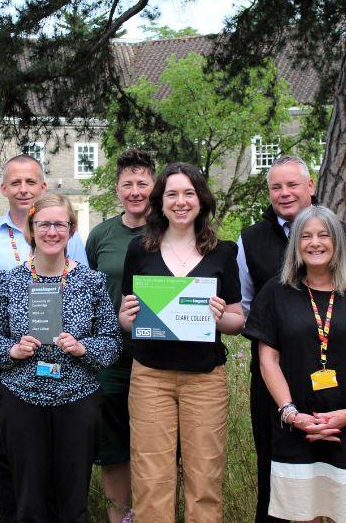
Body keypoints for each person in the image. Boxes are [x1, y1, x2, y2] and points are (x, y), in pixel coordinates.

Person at [244, 205, 346, 522]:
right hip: (295, 426)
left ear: (338, 242)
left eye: (323, 235)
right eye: (306, 236)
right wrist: (292, 414)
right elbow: (268, 359)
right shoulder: (276, 291)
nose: (314, 243)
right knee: (302, 515)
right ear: (296, 245)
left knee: (345, 513)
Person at [237, 156, 346, 522]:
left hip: (343, 386)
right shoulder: (250, 240)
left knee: (340, 487)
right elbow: (247, 310)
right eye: (276, 187)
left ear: (310, 186)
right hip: (277, 383)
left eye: (292, 185)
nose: (284, 193)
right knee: (279, 482)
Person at [0, 154, 88, 523]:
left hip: (61, 364)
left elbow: (85, 296)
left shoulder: (65, 232)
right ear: (3, 189)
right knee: (8, 458)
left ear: (43, 187)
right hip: (5, 362)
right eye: (16, 182)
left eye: (31, 182)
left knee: (56, 458)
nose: (24, 189)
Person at [0, 194, 121, 523]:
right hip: (23, 400)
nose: (52, 231)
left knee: (72, 503)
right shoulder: (10, 281)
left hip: (78, 399)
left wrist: (84, 348)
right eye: (44, 224)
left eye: (60, 224)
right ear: (31, 229)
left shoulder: (92, 282)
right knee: (29, 502)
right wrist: (12, 351)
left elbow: (111, 341)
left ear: (71, 230)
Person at [118, 162, 243, 523]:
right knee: (151, 479)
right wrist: (125, 318)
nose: (181, 202)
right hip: (150, 377)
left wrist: (222, 316)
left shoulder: (223, 252)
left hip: (205, 378)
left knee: (204, 479)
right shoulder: (140, 250)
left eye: (189, 193)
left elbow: (237, 319)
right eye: (172, 194)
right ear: (161, 201)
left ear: (201, 200)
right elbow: (127, 316)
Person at [85, 149, 155, 523]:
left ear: (154, 186)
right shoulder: (101, 236)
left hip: (159, 353)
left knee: (154, 442)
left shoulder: (169, 230)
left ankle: (149, 514)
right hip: (111, 355)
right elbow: (88, 293)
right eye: (127, 183)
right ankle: (119, 518)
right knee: (113, 446)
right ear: (116, 189)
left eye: (142, 183)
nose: (135, 190)